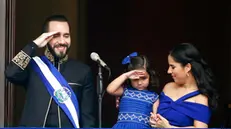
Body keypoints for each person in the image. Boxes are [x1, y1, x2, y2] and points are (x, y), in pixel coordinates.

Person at [5, 14, 97, 128]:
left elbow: (88, 118)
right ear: (45, 38)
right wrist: (33, 45)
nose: (62, 41)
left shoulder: (83, 71)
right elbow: (11, 73)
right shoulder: (32, 66)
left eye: (66, 35)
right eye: (56, 36)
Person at [149, 43, 218, 128]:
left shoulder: (200, 98)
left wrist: (169, 127)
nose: (169, 71)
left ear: (187, 67)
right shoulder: (168, 87)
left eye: (173, 67)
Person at [107, 52, 159, 129]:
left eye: (144, 78)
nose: (140, 82)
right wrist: (126, 75)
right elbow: (110, 89)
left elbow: (155, 116)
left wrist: (154, 119)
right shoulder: (125, 91)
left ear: (150, 76)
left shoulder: (154, 96)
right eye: (135, 79)